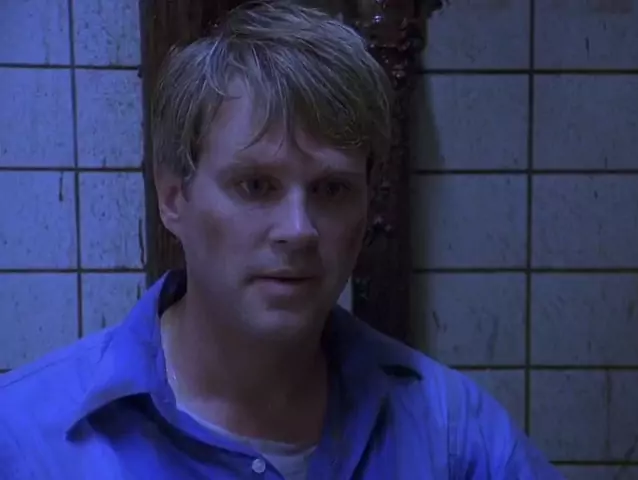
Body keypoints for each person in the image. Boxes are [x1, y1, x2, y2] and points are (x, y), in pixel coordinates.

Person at [0, 1, 562, 478]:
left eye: (332, 190)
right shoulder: (30, 441)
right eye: (255, 186)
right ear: (173, 198)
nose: (298, 229)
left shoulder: (453, 434)